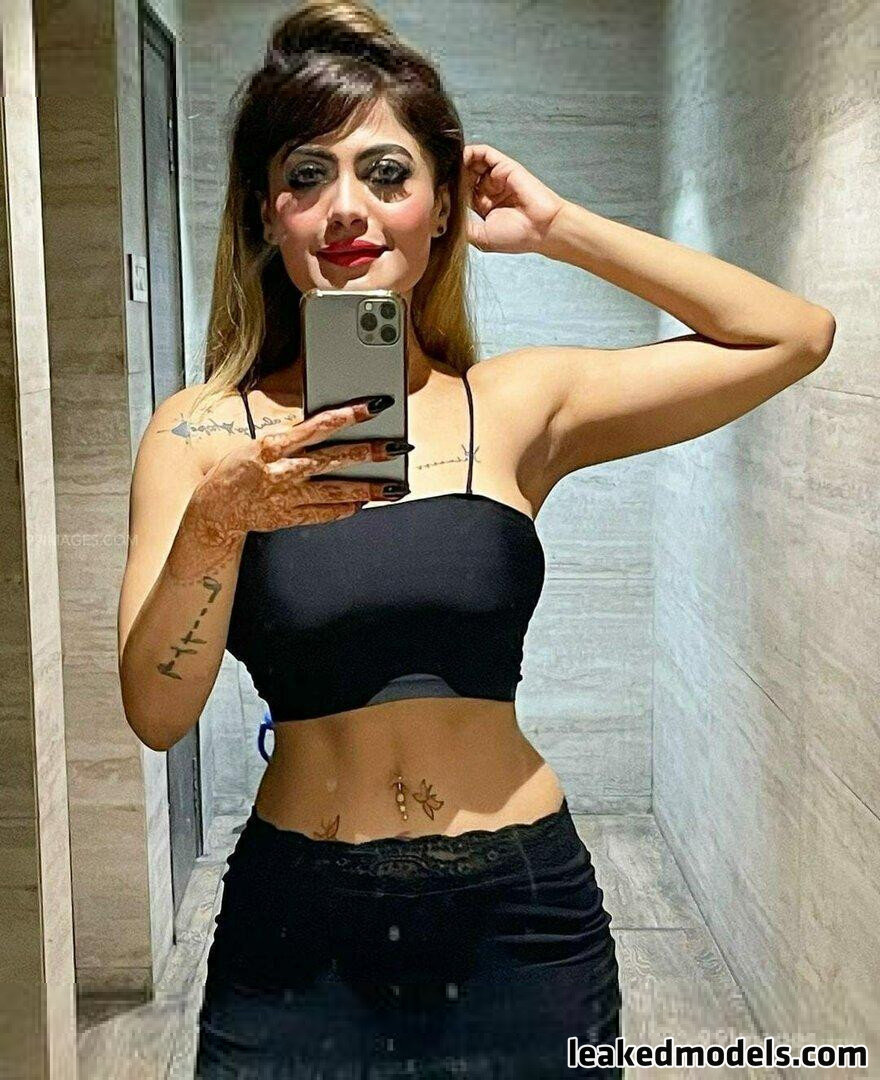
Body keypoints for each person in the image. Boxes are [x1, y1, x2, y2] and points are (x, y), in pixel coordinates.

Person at [117, 2, 835, 1076]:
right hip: (296, 931)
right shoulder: (200, 433)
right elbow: (156, 712)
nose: (347, 208)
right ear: (268, 214)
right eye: (307, 175)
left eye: (387, 174)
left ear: (443, 205)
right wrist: (217, 522)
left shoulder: (514, 405)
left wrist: (558, 226)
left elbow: (791, 335)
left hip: (521, 922)